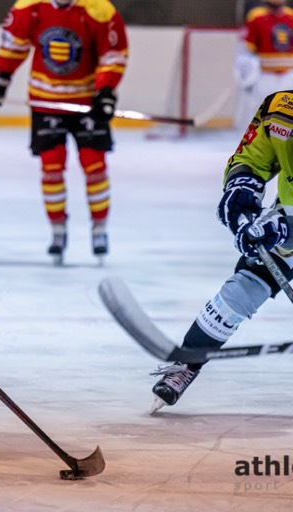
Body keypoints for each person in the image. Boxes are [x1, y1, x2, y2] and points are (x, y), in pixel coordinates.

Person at [150, 89, 293, 413]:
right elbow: (252, 158)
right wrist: (243, 186)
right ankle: (188, 362)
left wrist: (285, 228)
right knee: (243, 288)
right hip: (289, 219)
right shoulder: (281, 108)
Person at [0, 0, 128, 264]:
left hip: (86, 102)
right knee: (51, 167)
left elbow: (112, 54)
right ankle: (58, 230)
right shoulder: (30, 7)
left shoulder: (99, 10)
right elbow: (15, 45)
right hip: (46, 101)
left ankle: (99, 228)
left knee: (95, 165)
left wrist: (105, 90)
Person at [233, 0, 293, 132]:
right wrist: (246, 72)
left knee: (288, 111)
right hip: (265, 74)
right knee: (259, 109)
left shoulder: (291, 16)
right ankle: (253, 142)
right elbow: (247, 48)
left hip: (289, 74)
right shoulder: (256, 16)